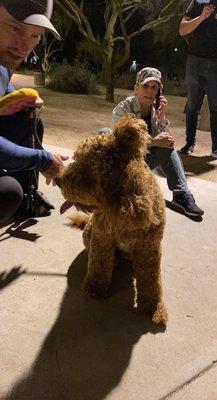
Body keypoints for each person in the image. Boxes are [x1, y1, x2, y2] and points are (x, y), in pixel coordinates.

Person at [0, 0, 68, 225]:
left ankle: (27, 199)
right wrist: (43, 161)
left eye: (35, 35)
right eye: (15, 27)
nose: (23, 46)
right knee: (7, 193)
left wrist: (19, 96)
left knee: (28, 120)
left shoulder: (5, 57)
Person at [112, 67, 204, 218]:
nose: (150, 91)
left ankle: (181, 194)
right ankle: (123, 188)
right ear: (136, 88)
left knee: (167, 144)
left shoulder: (155, 111)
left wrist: (161, 119)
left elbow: (165, 141)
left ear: (159, 91)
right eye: (145, 86)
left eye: (154, 87)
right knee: (104, 133)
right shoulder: (123, 109)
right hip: (125, 164)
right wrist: (154, 141)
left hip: (144, 162)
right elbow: (120, 144)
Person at [179, 0, 217, 158]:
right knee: (193, 106)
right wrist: (202, 17)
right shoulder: (196, 3)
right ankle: (189, 143)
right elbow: (182, 30)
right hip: (195, 61)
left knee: (216, 107)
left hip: (216, 64)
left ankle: (216, 148)